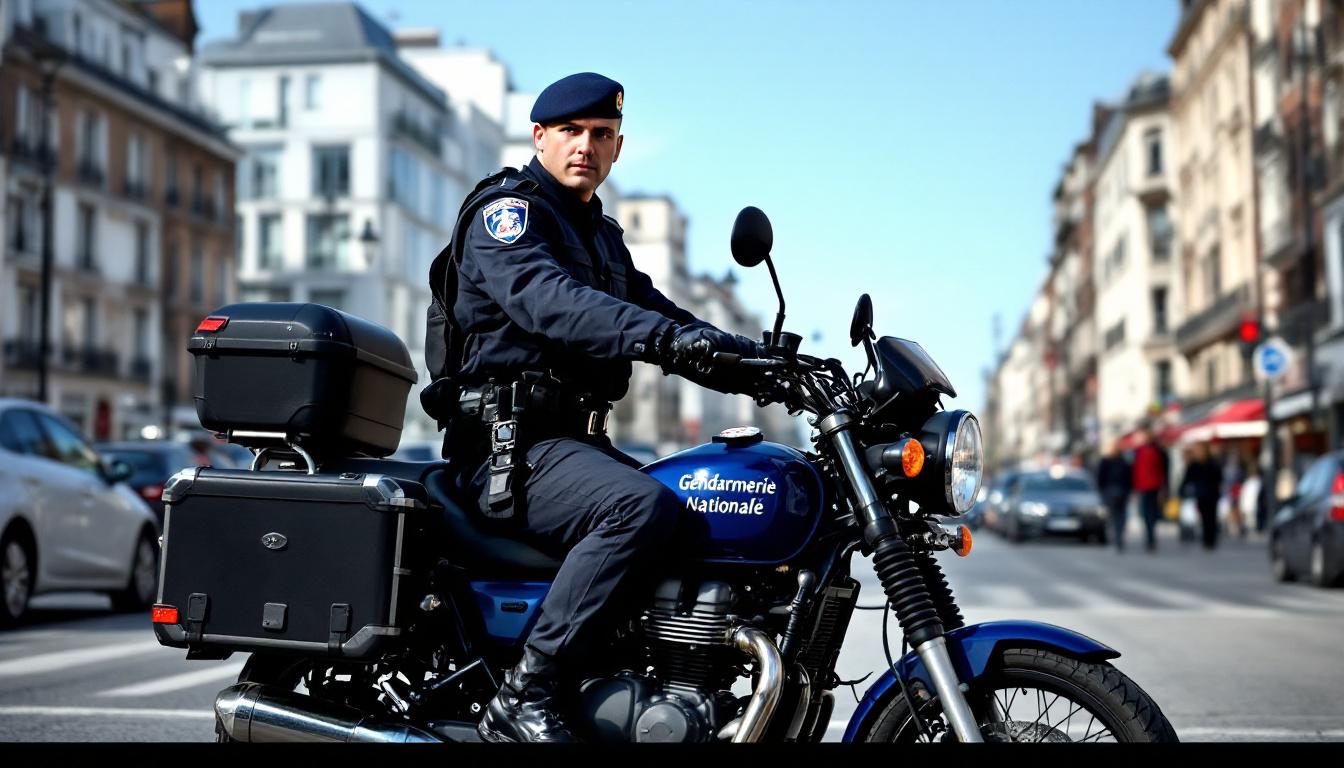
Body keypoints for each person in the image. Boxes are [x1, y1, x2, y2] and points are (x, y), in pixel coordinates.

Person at [422, 73, 765, 743]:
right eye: (572, 132)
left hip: (569, 446)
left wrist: (763, 365)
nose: (586, 145)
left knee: (700, 515)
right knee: (636, 507)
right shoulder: (509, 215)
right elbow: (551, 303)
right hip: (509, 449)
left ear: (618, 147)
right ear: (540, 137)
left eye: (601, 135)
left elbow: (658, 313)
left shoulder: (601, 237)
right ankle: (528, 690)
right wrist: (668, 336)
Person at [1179, 443, 1224, 550]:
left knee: (1211, 518)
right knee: (1205, 518)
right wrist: (1181, 490)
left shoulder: (1212, 464)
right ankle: (1206, 539)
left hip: (1211, 495)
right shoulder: (1196, 465)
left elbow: (1218, 478)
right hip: (1202, 495)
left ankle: (1210, 539)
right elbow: (1187, 479)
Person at [1131, 426, 1168, 552]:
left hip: (1146, 486)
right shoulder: (1157, 451)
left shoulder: (1141, 452)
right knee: (1151, 513)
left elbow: (1135, 471)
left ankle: (1150, 537)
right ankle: (1151, 537)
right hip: (1153, 486)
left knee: (1148, 514)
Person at [1096, 440, 1132, 552]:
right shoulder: (1124, 462)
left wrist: (1102, 490)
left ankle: (1117, 537)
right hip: (1121, 492)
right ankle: (1118, 537)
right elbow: (1129, 479)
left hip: (1111, 492)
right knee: (1120, 516)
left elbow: (1100, 478)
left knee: (1113, 516)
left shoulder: (1106, 461)